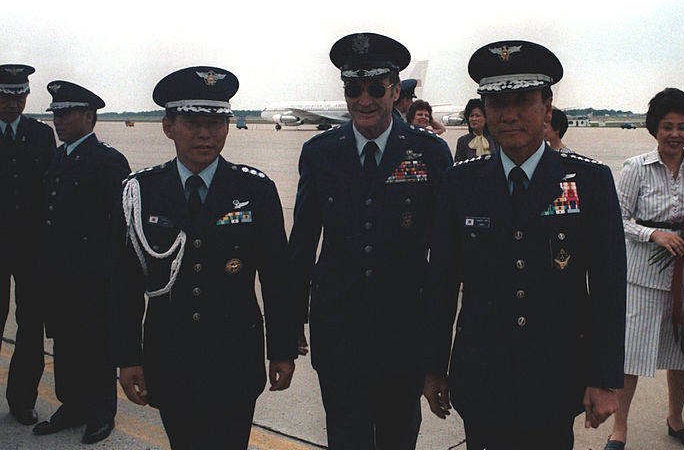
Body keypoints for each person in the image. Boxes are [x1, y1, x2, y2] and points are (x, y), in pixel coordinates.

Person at [423, 40, 626, 450]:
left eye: (523, 101)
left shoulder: (589, 181)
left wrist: (604, 379)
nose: (509, 114)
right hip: (481, 375)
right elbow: (441, 282)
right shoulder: (461, 182)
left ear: (547, 108)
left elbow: (608, 286)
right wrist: (433, 367)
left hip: (555, 374)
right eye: (497, 103)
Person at [112, 66, 297, 450]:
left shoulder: (254, 189)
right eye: (192, 122)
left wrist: (281, 350)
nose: (205, 134)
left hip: (234, 358)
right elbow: (126, 283)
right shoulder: (141, 191)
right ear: (168, 126)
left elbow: (277, 277)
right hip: (169, 356)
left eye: (216, 123)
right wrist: (128, 356)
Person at [289, 32, 453, 450]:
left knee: (399, 436)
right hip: (338, 328)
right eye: (353, 89)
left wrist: (438, 343)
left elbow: (446, 256)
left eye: (375, 89)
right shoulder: (320, 152)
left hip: (404, 330)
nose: (364, 100)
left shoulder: (430, 153)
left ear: (396, 91)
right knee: (346, 437)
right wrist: (290, 323)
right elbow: (304, 241)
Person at [610, 88, 684, 450]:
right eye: (667, 126)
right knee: (632, 355)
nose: (674, 134)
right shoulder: (636, 167)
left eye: (682, 126)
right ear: (655, 129)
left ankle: (676, 419)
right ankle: (619, 429)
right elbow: (618, 219)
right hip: (643, 275)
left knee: (682, 351)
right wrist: (653, 234)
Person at [33, 80, 130, 444]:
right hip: (60, 272)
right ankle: (71, 405)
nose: (58, 121)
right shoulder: (60, 157)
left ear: (88, 117)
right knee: (67, 344)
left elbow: (120, 223)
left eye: (66, 114)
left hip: (93, 274)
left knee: (95, 345)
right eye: (55, 114)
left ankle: (101, 412)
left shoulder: (107, 161)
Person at [0, 64, 55, 426]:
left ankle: (22, 399)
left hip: (32, 248)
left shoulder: (39, 135)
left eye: (20, 95)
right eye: (6, 96)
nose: (13, 103)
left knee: (31, 325)